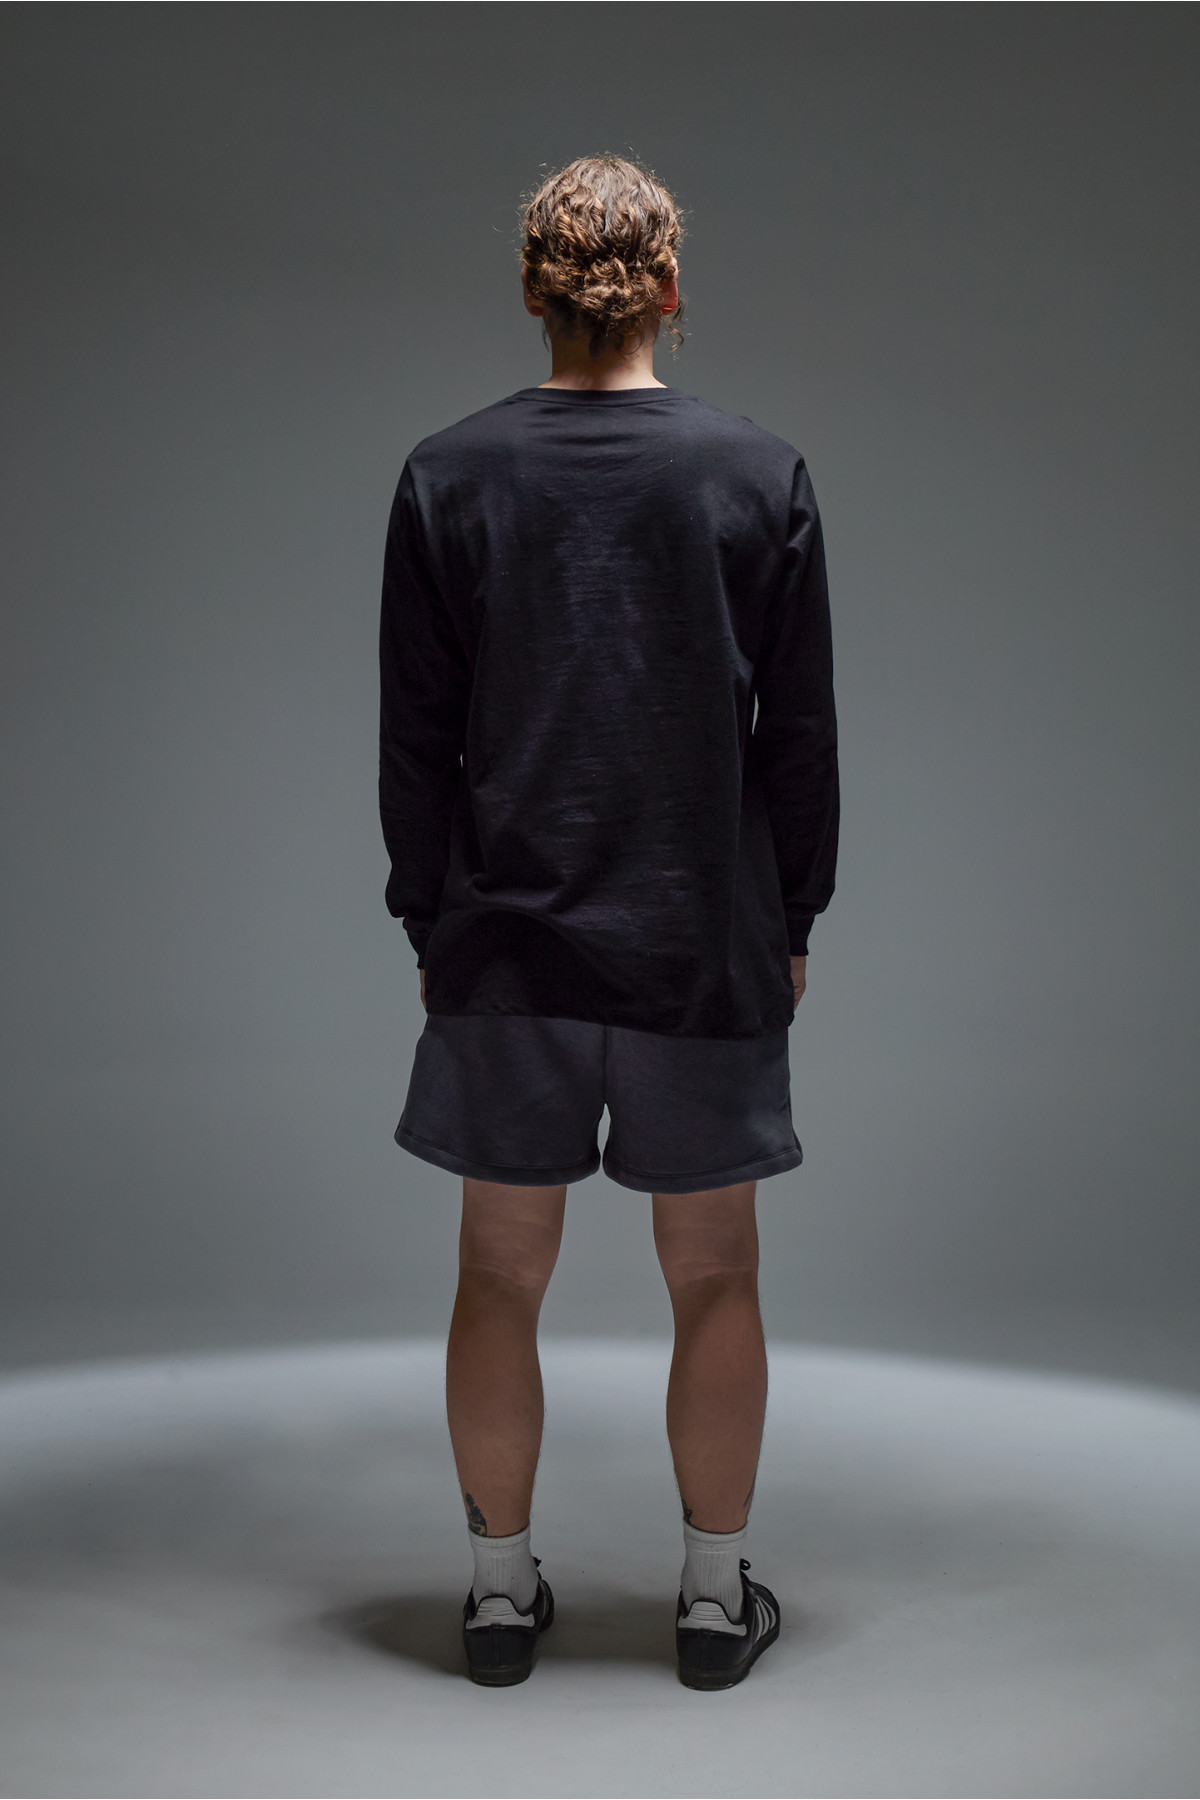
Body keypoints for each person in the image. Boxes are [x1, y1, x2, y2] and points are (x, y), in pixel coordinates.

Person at [378, 153, 839, 1689]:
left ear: (533, 291)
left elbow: (414, 740)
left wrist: (431, 922)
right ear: (670, 288)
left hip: (504, 943)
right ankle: (710, 1606)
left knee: (498, 1274)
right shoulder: (758, 476)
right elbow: (799, 740)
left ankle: (498, 1599)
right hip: (702, 938)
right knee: (715, 1275)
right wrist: (794, 916)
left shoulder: (448, 476)